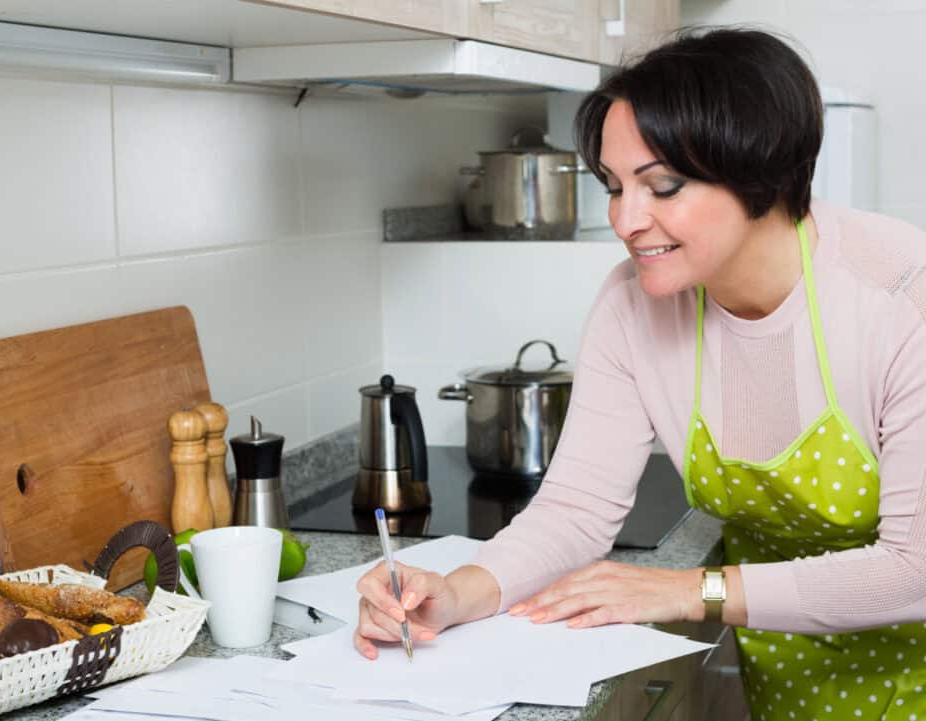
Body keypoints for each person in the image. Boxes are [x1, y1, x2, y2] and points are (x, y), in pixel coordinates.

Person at [353, 27, 926, 721]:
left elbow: (913, 570)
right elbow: (575, 511)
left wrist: (690, 591)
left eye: (663, 185)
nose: (626, 219)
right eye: (614, 186)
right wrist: (457, 592)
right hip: (793, 670)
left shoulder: (900, 296)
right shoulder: (633, 304)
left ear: (759, 171)